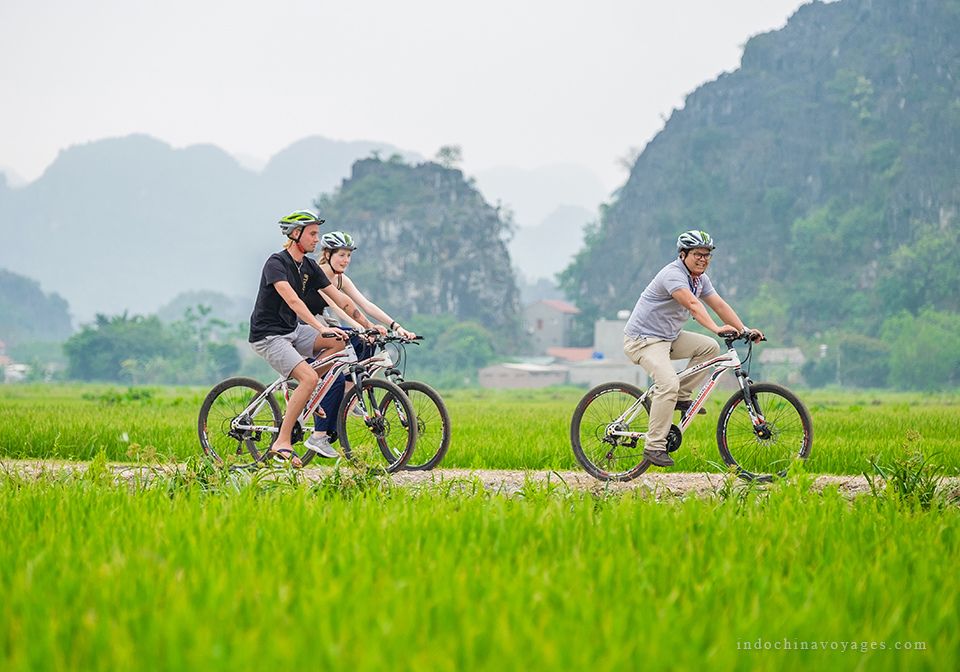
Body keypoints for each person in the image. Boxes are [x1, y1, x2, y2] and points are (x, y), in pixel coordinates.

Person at [248, 210, 381, 466]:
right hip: (269, 335)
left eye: (317, 234)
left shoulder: (308, 266)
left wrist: (368, 326)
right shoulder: (276, 263)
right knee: (309, 376)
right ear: (295, 234)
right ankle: (282, 442)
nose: (316, 240)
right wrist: (320, 329)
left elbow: (341, 299)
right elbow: (294, 301)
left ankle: (308, 391)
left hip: (293, 331)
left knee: (341, 341)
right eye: (312, 234)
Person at [622, 230, 763, 468]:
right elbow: (693, 305)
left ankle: (680, 397)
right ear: (683, 254)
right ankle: (654, 445)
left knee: (709, 348)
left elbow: (718, 304)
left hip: (668, 337)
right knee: (667, 383)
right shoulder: (673, 275)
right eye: (698, 254)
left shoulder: (700, 279)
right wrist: (717, 328)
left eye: (707, 255)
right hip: (643, 340)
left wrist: (744, 328)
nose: (703, 259)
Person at [301, 230, 416, 455]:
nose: (346, 260)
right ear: (327, 254)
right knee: (359, 340)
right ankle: (330, 416)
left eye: (348, 255)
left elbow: (365, 304)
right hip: (308, 329)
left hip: (326, 326)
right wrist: (362, 328)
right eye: (341, 255)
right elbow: (340, 306)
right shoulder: (319, 275)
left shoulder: (341, 278)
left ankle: (350, 393)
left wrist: (397, 327)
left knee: (366, 344)